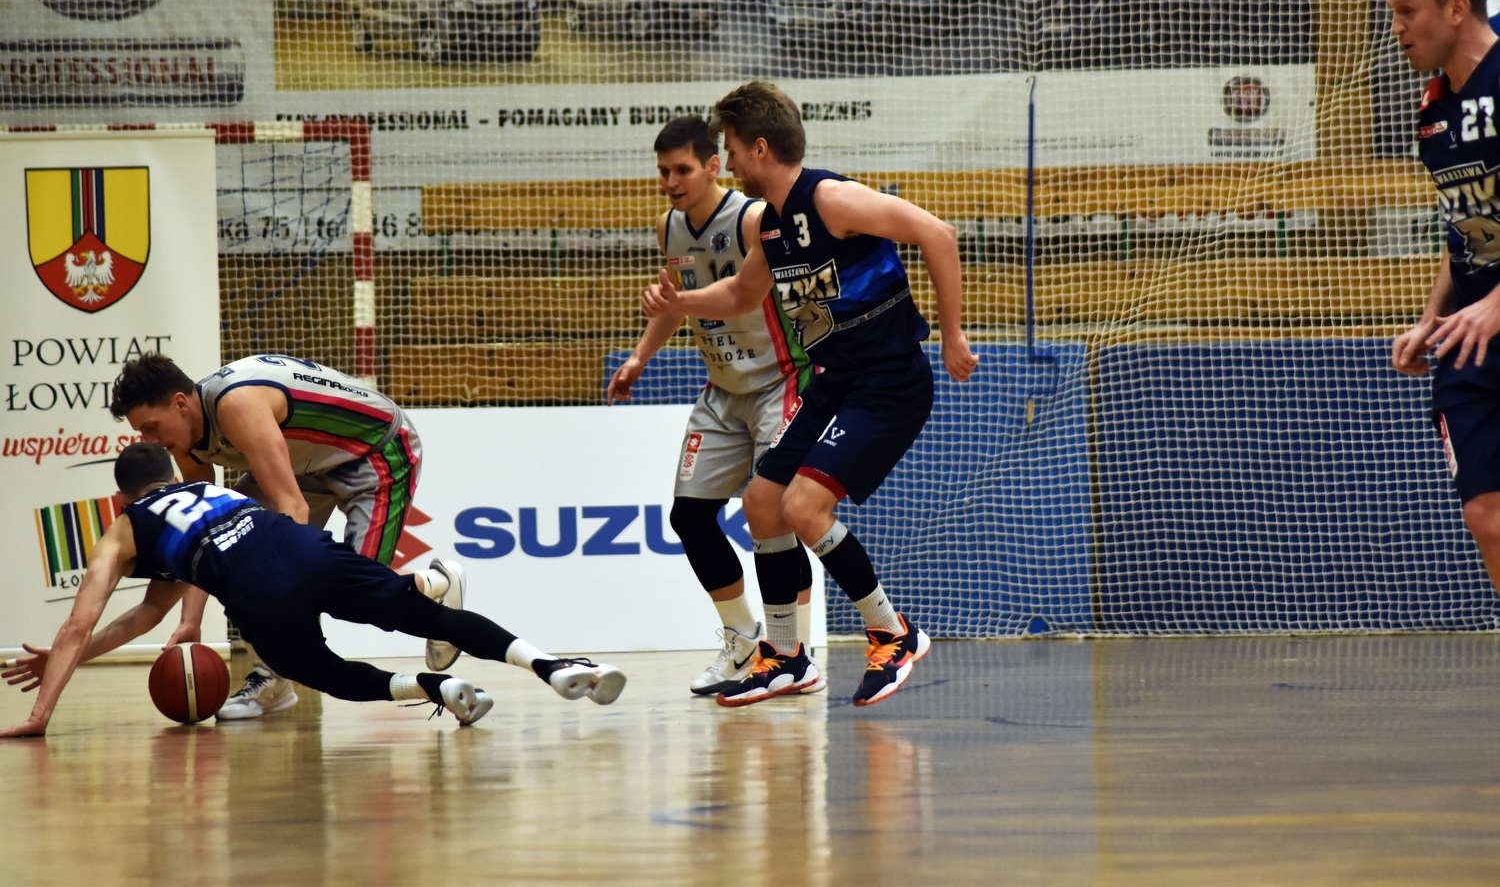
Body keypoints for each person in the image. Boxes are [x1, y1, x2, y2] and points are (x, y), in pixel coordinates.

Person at [643, 81, 978, 707]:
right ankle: (786, 657)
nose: (728, 162)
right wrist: (679, 302)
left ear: (759, 148)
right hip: (834, 381)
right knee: (762, 504)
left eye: (731, 150)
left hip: (887, 383)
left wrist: (953, 335)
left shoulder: (830, 198)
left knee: (802, 509)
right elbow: (740, 294)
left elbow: (938, 233)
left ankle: (893, 633)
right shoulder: (771, 226)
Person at [0, 443, 626, 738]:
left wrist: (42, 708)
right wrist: (67, 658)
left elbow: (89, 623)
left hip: (255, 586)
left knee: (322, 672)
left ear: (122, 494)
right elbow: (153, 611)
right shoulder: (209, 488)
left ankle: (433, 687)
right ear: (170, 474)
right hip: (297, 543)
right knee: (423, 617)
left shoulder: (122, 530)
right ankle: (552, 665)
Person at [109, 352, 456, 721]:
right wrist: (190, 621)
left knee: (352, 591)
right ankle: (272, 681)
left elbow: (293, 509)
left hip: (373, 450)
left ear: (180, 403)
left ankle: (437, 585)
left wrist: (286, 600)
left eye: (150, 426)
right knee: (238, 554)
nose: (148, 440)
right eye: (141, 432)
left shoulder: (236, 404)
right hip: (301, 463)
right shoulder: (187, 439)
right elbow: (206, 536)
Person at [607, 115, 820, 696]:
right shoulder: (668, 226)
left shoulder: (752, 217)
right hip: (722, 391)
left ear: (713, 166)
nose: (671, 182)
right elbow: (675, 303)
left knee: (773, 514)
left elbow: (748, 294)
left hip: (779, 383)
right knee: (689, 517)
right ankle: (743, 639)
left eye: (682, 169)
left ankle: (796, 654)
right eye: (663, 171)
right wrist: (639, 357)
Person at [1388, 0, 1500, 594]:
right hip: (1471, 338)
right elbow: (1462, 226)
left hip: (1492, 314)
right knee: (1485, 514)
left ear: (1457, 8)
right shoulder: (1432, 109)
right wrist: (1433, 317)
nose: (1396, 28)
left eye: (1408, 11)